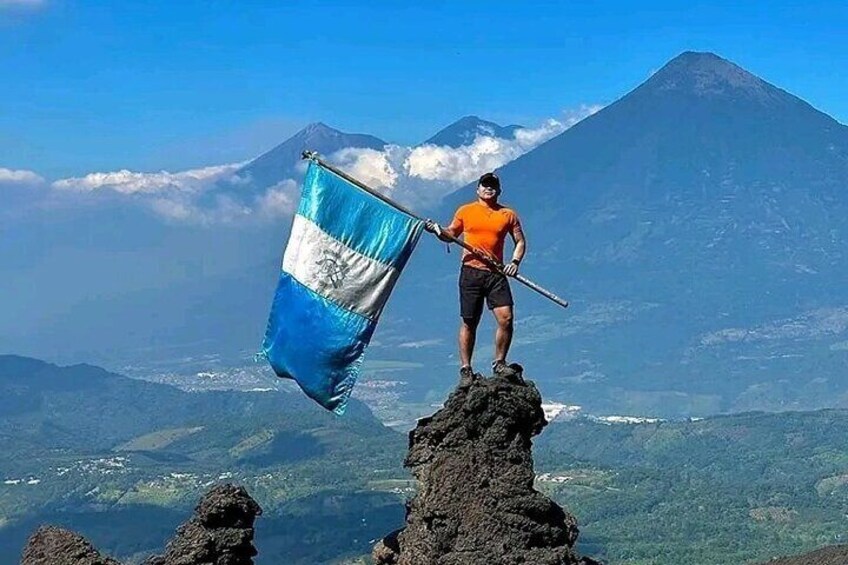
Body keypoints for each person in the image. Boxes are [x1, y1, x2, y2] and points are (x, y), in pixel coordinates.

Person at [425, 172, 526, 384]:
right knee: (469, 322)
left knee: (506, 318)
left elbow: (520, 242)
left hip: (496, 272)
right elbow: (451, 234)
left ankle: (499, 363)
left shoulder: (508, 214)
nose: (488, 189)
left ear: (498, 190)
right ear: (478, 189)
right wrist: (437, 230)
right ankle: (466, 369)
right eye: (485, 185)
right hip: (471, 271)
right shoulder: (466, 211)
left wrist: (514, 263)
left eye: (492, 186)